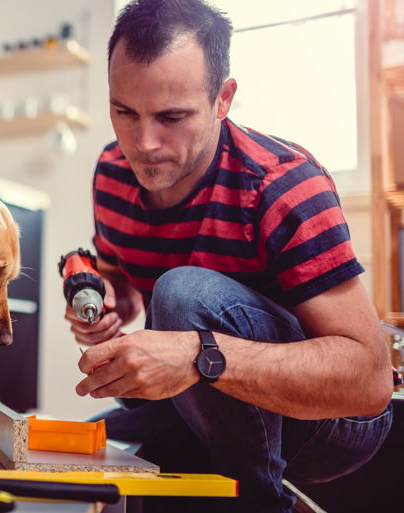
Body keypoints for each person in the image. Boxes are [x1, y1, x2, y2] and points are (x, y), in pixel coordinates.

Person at [64, 1, 396, 511]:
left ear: (223, 99)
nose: (144, 143)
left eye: (173, 116)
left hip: (330, 421)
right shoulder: (112, 171)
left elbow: (367, 382)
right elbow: (122, 287)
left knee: (183, 294)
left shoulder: (283, 186)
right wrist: (107, 311)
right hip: (209, 402)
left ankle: (258, 504)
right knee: (78, 460)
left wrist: (199, 353)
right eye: (124, 112)